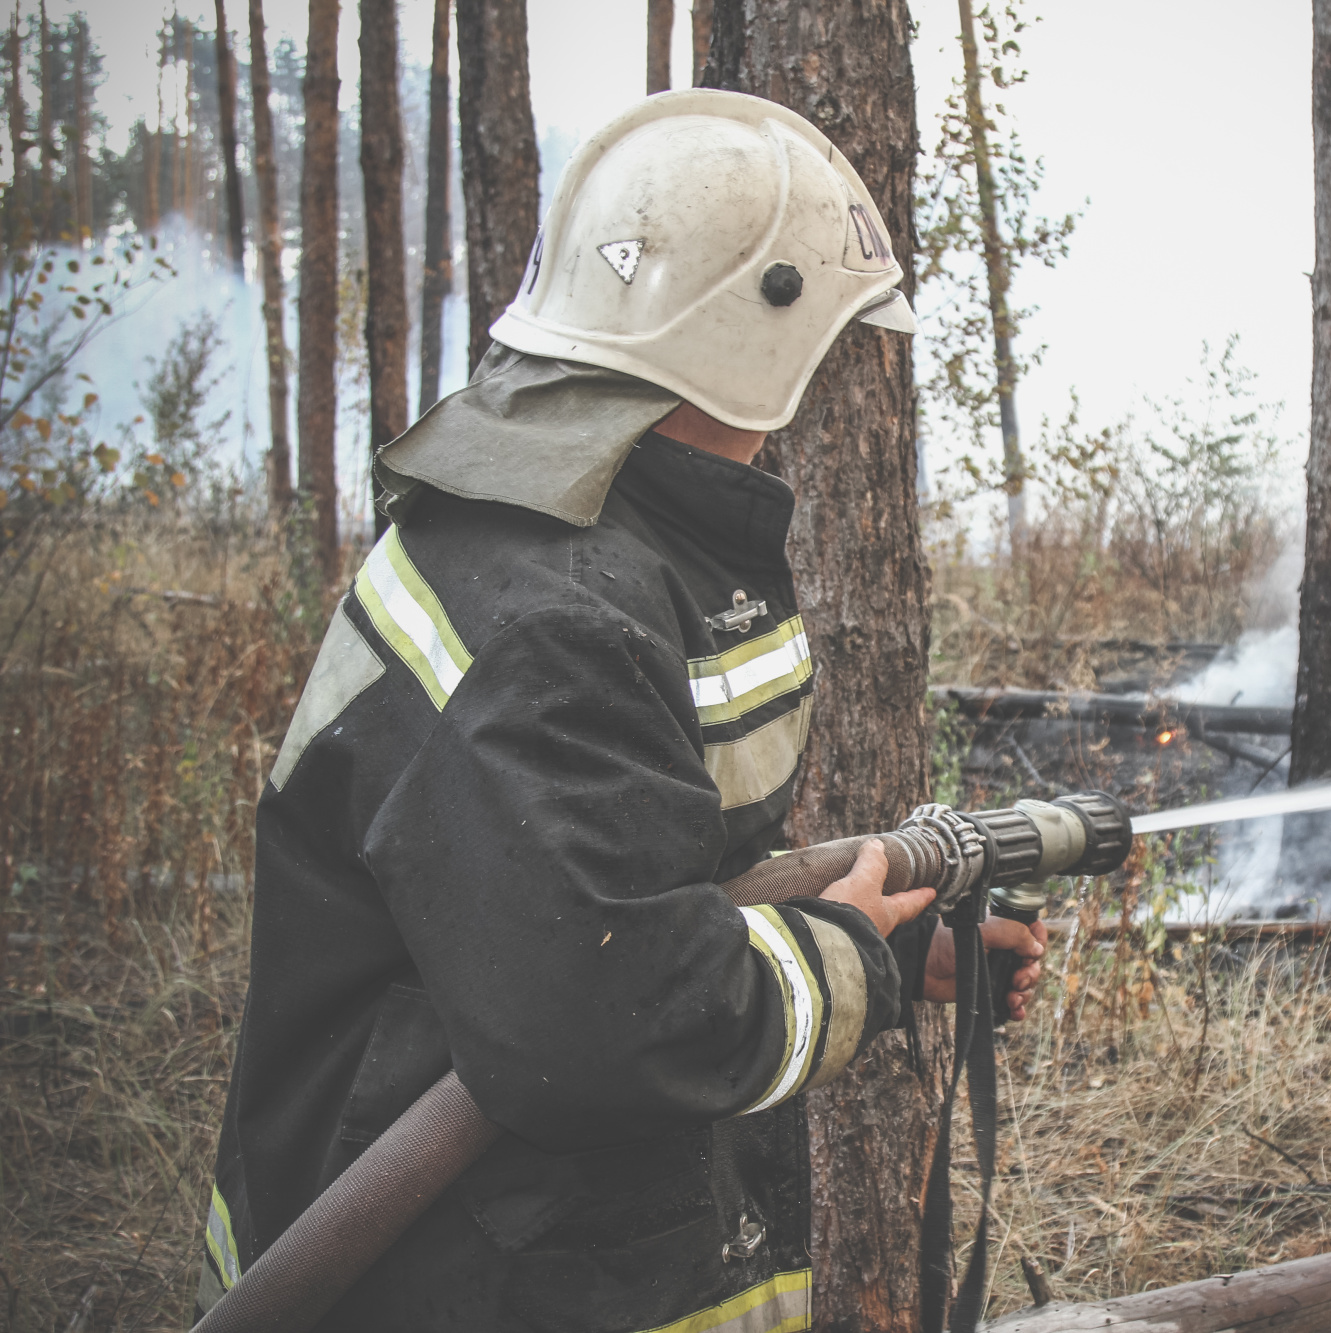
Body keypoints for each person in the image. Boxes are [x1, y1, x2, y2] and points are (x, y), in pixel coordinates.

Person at [195, 89, 1047, 1332]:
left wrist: (892, 941)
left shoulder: (555, 520)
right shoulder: (565, 609)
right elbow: (609, 1022)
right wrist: (846, 958)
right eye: (832, 335)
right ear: (768, 336)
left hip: (480, 1214)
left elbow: (613, 885)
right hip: (455, 1272)